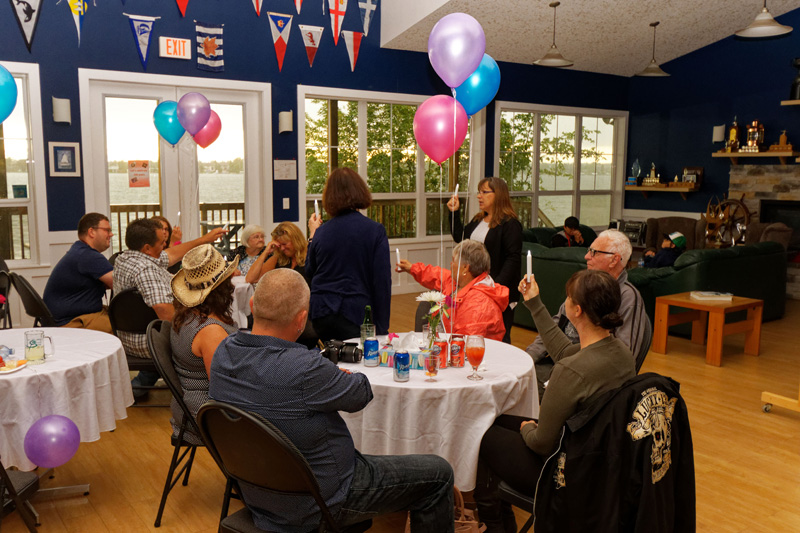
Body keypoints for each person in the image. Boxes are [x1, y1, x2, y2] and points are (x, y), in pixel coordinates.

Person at [209, 269, 455, 532]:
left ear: (251, 305)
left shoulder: (224, 351)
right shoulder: (305, 368)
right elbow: (360, 394)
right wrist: (333, 374)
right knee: (439, 474)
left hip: (258, 490)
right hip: (322, 498)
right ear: (302, 319)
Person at [474, 269, 636, 532]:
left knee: (481, 432)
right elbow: (562, 350)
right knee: (499, 421)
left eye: (568, 299)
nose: (566, 303)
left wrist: (528, 428)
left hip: (566, 473)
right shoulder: (621, 353)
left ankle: (495, 525)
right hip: (599, 462)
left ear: (577, 311)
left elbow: (541, 443)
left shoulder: (571, 372)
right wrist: (534, 303)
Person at [526, 229, 648, 400]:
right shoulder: (583, 285)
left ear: (614, 260)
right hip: (561, 361)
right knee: (517, 377)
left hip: (585, 377)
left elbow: (625, 358)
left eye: (594, 252)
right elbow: (554, 328)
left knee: (519, 389)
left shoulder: (628, 297)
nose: (586, 256)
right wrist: (527, 358)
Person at [114, 218, 226, 396]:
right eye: (161, 242)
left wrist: (205, 239)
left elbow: (171, 254)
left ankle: (138, 387)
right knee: (211, 332)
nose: (166, 244)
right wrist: (196, 326)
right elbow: (164, 311)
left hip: (128, 335)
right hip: (147, 340)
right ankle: (203, 390)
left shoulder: (125, 258)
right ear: (147, 248)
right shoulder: (146, 269)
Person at [306, 168, 391, 342]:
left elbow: (310, 271)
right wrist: (382, 328)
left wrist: (312, 238)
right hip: (355, 312)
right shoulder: (374, 230)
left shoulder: (321, 233)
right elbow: (381, 281)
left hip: (321, 313)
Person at [169, 244, 239, 444]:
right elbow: (223, 388)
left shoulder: (187, 316)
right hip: (207, 415)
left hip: (190, 408)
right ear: (223, 287)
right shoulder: (209, 331)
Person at [447, 177, 522, 344]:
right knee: (476, 333)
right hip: (475, 290)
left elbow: (513, 259)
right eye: (479, 192)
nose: (479, 196)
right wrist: (454, 212)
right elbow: (460, 237)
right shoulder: (478, 220)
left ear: (498, 195)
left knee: (499, 336)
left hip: (497, 291)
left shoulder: (510, 224)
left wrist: (494, 287)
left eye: (484, 192)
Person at [396, 240, 508, 341]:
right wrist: (412, 268)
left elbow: (463, 343)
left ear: (465, 268)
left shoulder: (478, 303)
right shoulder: (461, 281)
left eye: (453, 261)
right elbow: (435, 274)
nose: (451, 264)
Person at [43, 212, 114, 333]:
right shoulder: (88, 256)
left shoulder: (79, 250)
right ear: (91, 232)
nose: (111, 234)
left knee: (122, 316)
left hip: (60, 317)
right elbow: (121, 284)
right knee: (125, 326)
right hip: (70, 322)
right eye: (107, 230)